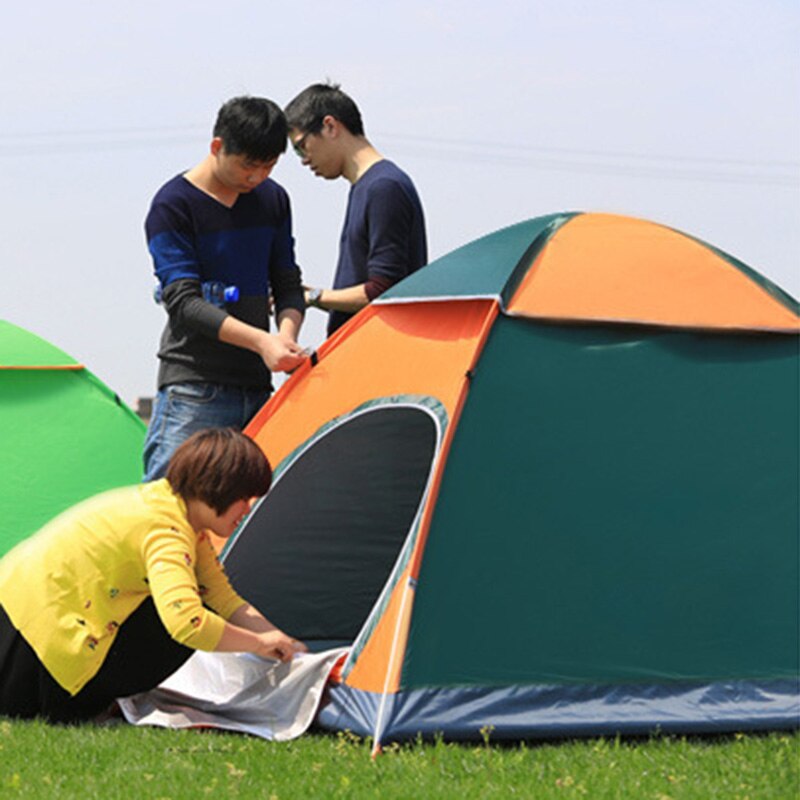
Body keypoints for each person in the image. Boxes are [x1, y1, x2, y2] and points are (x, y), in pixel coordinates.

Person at [0, 428, 307, 723]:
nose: (251, 507)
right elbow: (188, 623)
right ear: (218, 486)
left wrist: (281, 640)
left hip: (18, 609)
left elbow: (223, 596)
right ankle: (76, 702)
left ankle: (88, 697)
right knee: (176, 619)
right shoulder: (166, 532)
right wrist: (257, 644)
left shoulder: (170, 509)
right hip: (33, 643)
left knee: (196, 602)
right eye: (245, 496)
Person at [143, 96, 307, 481]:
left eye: (268, 166)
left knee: (244, 516)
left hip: (256, 387)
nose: (257, 177)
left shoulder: (273, 199)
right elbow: (184, 302)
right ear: (217, 147)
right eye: (248, 165)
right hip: (194, 389)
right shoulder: (173, 205)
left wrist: (284, 338)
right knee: (168, 507)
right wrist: (262, 343)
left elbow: (287, 281)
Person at [284, 83, 428, 336]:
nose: (304, 159)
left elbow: (384, 291)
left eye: (301, 146)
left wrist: (314, 297)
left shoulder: (384, 188)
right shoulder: (366, 187)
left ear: (330, 126)